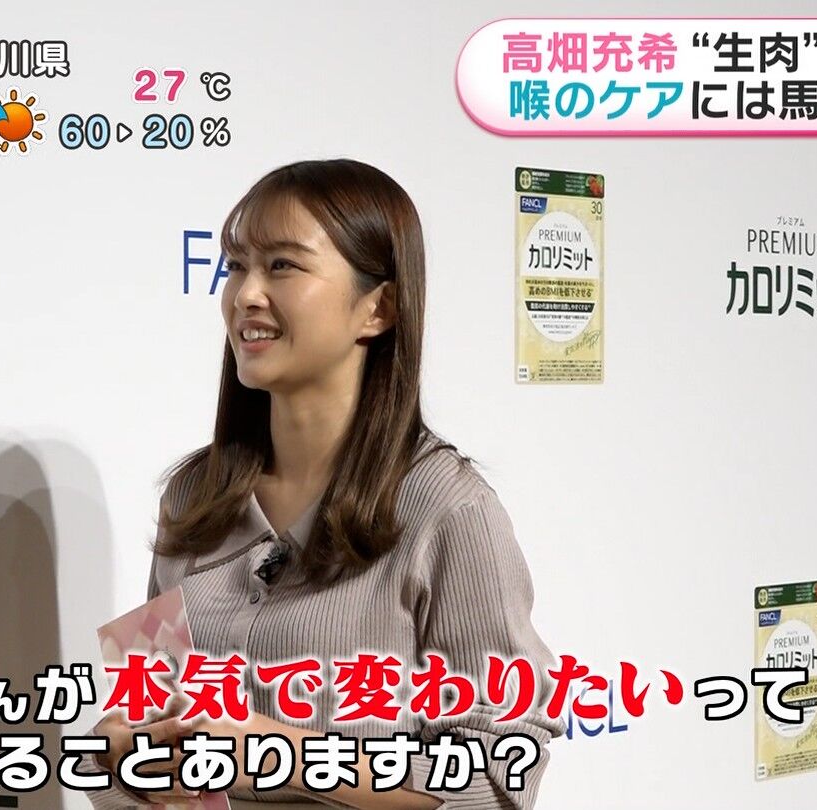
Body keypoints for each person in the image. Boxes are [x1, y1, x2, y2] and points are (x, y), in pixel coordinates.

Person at [77, 159, 564, 808]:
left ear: (377, 308)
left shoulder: (449, 509)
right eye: (236, 265)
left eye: (282, 265)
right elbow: (146, 704)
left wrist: (287, 755)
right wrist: (119, 751)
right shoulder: (194, 495)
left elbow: (500, 775)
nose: (246, 294)